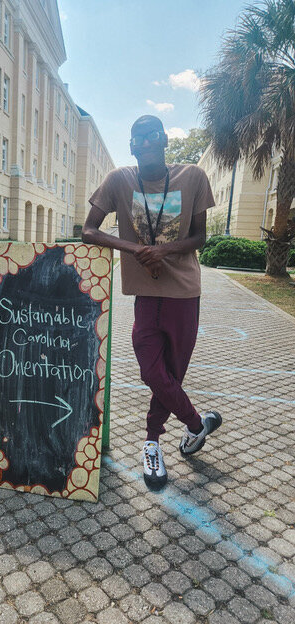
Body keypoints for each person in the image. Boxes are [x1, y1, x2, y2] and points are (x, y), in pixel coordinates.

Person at [82, 115, 222, 490]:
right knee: (151, 372)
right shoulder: (119, 180)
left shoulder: (192, 177)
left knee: (170, 375)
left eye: (151, 136)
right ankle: (197, 424)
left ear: (164, 140)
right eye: (136, 139)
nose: (143, 143)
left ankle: (152, 443)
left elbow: (200, 237)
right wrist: (135, 249)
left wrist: (162, 251)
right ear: (130, 147)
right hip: (145, 296)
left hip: (184, 294)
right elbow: (88, 230)